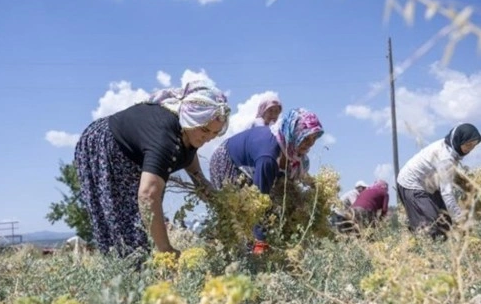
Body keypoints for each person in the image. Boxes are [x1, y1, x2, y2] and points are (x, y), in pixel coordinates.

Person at [75, 80, 230, 257]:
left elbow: (193, 164)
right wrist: (166, 251)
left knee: (143, 226)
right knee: (127, 234)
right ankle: (128, 278)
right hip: (106, 147)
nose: (208, 137)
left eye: (214, 133)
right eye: (205, 130)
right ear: (190, 120)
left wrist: (209, 190)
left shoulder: (191, 133)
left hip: (135, 155)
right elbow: (147, 196)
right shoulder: (166, 141)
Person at [210, 108, 324, 253]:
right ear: (294, 133)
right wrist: (260, 242)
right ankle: (235, 254)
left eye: (314, 139)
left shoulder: (291, 152)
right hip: (229, 161)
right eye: (306, 138)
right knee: (237, 217)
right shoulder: (268, 157)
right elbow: (259, 200)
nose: (310, 144)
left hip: (255, 167)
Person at [397, 123, 481, 240]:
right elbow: (446, 193)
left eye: (473, 145)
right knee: (430, 224)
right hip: (412, 184)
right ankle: (418, 250)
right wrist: (460, 219)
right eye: (468, 145)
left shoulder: (450, 147)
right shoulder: (446, 157)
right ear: (459, 140)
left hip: (429, 185)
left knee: (445, 222)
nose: (470, 149)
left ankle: (444, 252)